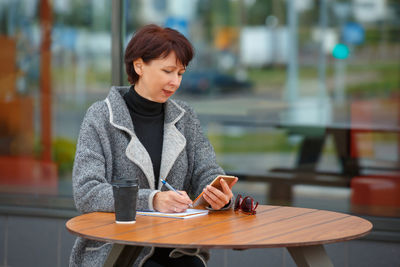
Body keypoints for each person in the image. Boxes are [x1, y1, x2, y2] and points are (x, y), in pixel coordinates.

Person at [69, 24, 237, 267]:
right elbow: (87, 192)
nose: (175, 82)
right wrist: (153, 200)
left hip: (176, 247)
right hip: (119, 248)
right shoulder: (101, 117)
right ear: (139, 66)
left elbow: (206, 171)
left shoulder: (185, 117)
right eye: (167, 71)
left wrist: (217, 194)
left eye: (180, 73)